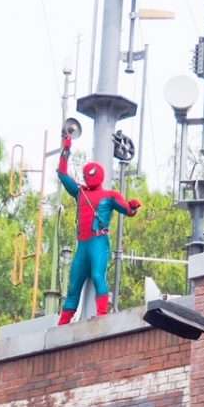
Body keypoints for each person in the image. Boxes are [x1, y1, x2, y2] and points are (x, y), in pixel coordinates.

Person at [56, 133, 142, 325]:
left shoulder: (110, 196)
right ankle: (63, 321)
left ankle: (102, 314)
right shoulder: (80, 193)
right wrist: (66, 149)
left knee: (97, 275)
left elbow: (127, 210)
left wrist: (133, 207)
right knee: (74, 284)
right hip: (83, 245)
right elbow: (62, 175)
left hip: (98, 242)